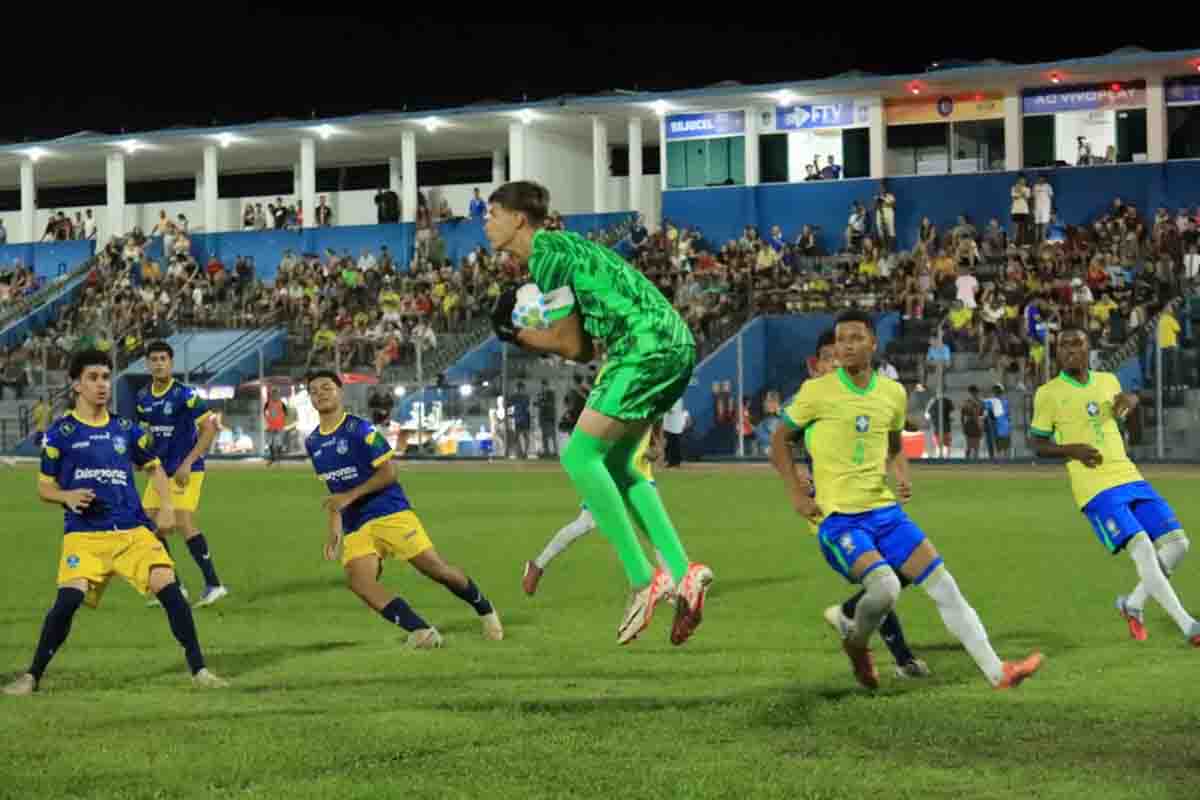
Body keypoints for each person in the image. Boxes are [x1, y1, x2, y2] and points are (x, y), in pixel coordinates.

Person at [486, 180, 712, 647]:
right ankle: (682, 570)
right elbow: (584, 345)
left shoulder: (544, 256)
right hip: (674, 343)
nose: (485, 223)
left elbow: (570, 346)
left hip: (642, 347)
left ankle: (642, 578)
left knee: (579, 456)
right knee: (616, 463)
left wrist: (519, 335)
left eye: (492, 214)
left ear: (518, 220)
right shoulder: (564, 247)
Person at [768, 310, 1042, 690]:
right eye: (840, 340)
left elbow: (893, 437)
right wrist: (796, 492)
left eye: (855, 338)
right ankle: (857, 642)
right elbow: (779, 439)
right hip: (839, 519)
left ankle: (999, 672)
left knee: (945, 585)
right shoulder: (817, 392)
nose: (846, 346)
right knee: (886, 588)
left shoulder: (892, 393)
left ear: (872, 344)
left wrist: (899, 470)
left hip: (885, 513)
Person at [3, 350, 228, 696]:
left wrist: (167, 506)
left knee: (170, 589)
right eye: (93, 378)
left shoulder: (127, 430)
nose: (101, 385)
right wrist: (66, 496)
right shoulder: (60, 434)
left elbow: (154, 467)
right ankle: (31, 676)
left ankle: (200, 670)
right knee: (67, 601)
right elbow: (44, 487)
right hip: (85, 535)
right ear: (76, 384)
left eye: (106, 377)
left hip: (132, 531)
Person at [304, 370, 503, 648]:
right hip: (355, 524)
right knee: (360, 582)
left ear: (340, 392)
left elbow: (389, 473)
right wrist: (334, 530)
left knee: (436, 570)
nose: (320, 393)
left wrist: (350, 496)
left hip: (390, 512)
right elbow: (335, 492)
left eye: (326, 387)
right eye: (314, 390)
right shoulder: (313, 442)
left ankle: (484, 608)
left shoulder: (360, 430)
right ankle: (421, 631)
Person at [1031, 328, 1199, 645]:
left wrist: (1132, 402)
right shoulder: (1049, 393)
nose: (1068, 350)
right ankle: (1189, 625)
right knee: (1144, 549)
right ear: (1057, 353)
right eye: (1062, 346)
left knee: (1178, 545)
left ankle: (1133, 604)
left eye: (1076, 344)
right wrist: (1072, 450)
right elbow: (1037, 443)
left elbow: (1128, 420)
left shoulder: (1108, 381)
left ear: (1088, 349)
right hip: (1094, 487)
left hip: (1129, 476)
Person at [787, 330, 930, 679]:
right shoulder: (811, 399)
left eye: (835, 355)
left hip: (872, 506)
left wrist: (900, 471)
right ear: (816, 363)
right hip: (832, 511)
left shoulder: (855, 394)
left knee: (894, 576)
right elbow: (786, 441)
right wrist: (800, 474)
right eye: (826, 356)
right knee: (882, 582)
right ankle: (901, 658)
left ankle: (852, 614)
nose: (833, 361)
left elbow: (889, 436)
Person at [522, 427, 668, 596]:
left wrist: (656, 449)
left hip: (641, 476)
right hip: (611, 474)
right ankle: (537, 566)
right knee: (585, 523)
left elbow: (656, 438)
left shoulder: (653, 406)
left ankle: (674, 584)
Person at [136, 341, 228, 609]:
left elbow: (210, 429)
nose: (158, 363)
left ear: (171, 362)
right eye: (153, 359)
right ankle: (175, 587)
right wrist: (141, 458)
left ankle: (214, 584)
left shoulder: (185, 395)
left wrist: (188, 462)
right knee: (148, 528)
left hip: (185, 470)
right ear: (148, 364)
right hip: (161, 471)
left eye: (163, 358)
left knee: (181, 521)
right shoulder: (143, 398)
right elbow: (146, 435)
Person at [985, 384, 1012, 460]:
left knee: (1005, 445)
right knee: (996, 444)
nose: (997, 392)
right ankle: (996, 459)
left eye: (998, 391)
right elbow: (987, 413)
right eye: (995, 391)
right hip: (994, 425)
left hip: (1003, 425)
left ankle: (1005, 460)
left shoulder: (1005, 402)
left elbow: (1008, 415)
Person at [264, 389, 287, 465]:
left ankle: (279, 458)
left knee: (279, 443)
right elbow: (265, 413)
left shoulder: (282, 404)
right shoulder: (268, 403)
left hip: (279, 427)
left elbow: (285, 414)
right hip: (270, 427)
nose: (275, 396)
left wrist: (282, 424)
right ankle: (272, 457)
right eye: (273, 394)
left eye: (276, 394)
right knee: (270, 443)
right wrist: (267, 422)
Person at [962, 385, 984, 460]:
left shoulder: (980, 402)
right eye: (973, 392)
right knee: (970, 446)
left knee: (975, 447)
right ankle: (968, 461)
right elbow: (962, 415)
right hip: (970, 425)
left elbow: (982, 415)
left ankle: (973, 461)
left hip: (974, 425)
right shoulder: (968, 402)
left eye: (974, 392)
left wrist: (981, 426)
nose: (974, 394)